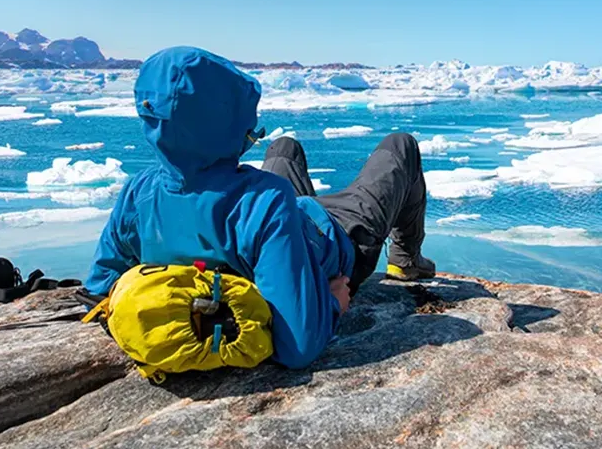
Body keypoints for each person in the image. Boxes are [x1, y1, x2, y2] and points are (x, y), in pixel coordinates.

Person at [85, 46, 434, 369]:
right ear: (228, 122)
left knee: (284, 148)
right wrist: (332, 303)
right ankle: (405, 262)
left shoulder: (138, 192)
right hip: (338, 235)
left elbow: (100, 288)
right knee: (400, 147)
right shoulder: (264, 200)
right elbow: (299, 346)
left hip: (293, 220)